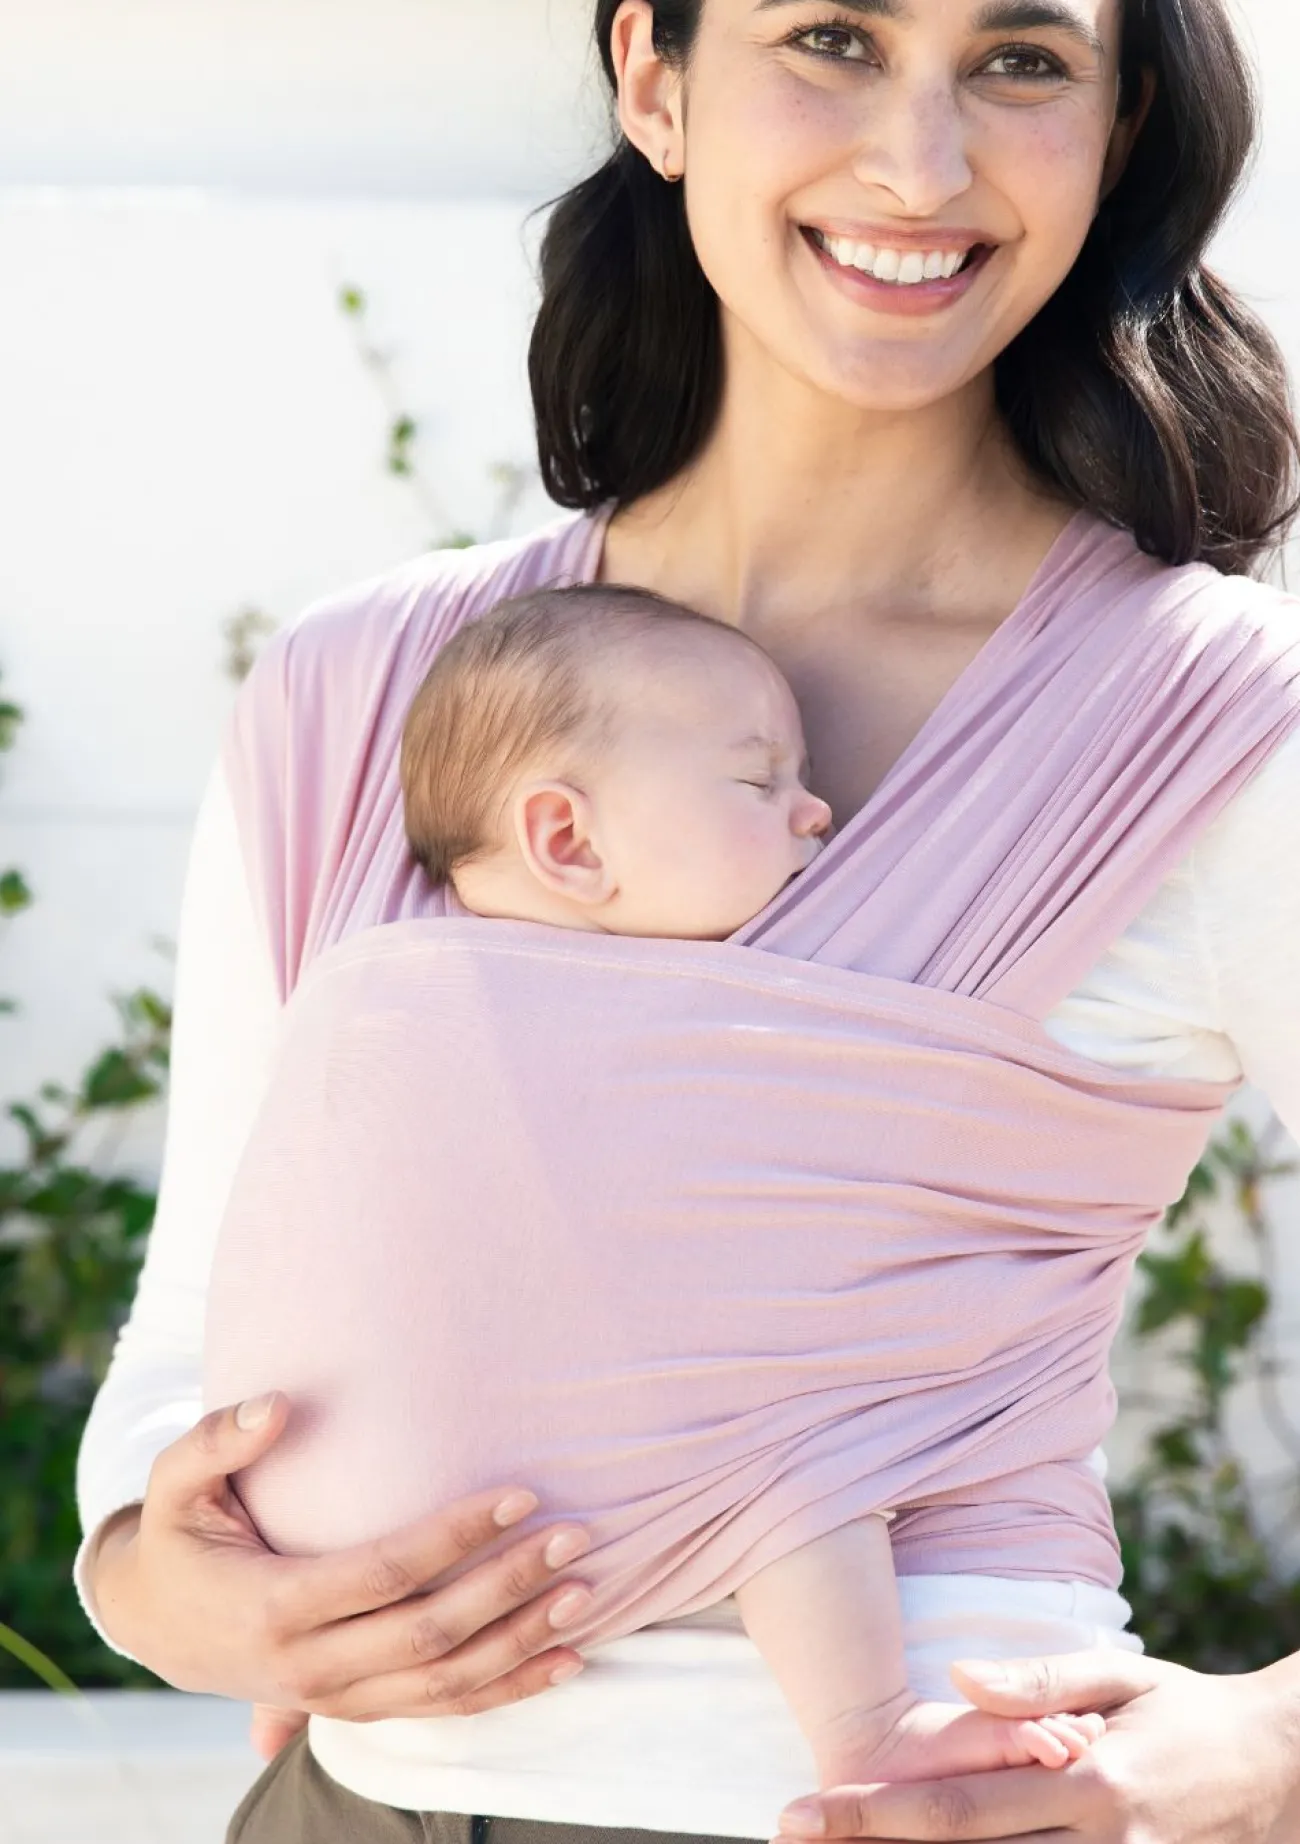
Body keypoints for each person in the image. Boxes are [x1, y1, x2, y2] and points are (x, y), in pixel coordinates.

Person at [74, 2, 1300, 1842]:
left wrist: (1270, 1748)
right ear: (655, 78)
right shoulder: (365, 685)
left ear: (1118, 129)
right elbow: (193, 1340)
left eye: (1022, 60)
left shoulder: (1217, 726)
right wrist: (148, 1580)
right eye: (832, 38)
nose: (921, 164)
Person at [212, 579, 1104, 1797]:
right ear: (569, 842)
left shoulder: (371, 979)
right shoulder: (630, 1014)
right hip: (430, 1569)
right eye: (758, 779)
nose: (817, 810)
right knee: (793, 1440)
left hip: (326, 1523)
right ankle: (866, 1727)